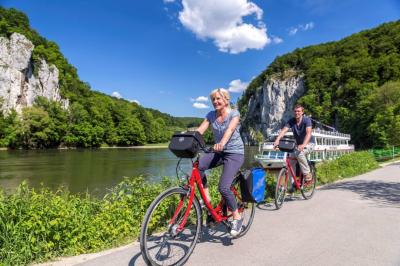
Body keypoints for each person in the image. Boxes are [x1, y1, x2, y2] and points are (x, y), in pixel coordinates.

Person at [196, 88, 245, 237]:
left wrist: (222, 143)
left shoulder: (234, 114)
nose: (215, 102)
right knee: (198, 167)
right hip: (219, 151)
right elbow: (200, 131)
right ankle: (207, 200)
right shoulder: (211, 115)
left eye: (218, 99)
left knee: (224, 187)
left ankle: (237, 217)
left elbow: (229, 130)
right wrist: (188, 139)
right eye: (213, 100)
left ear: (226, 100)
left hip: (234, 153)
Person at [273, 104, 314, 182]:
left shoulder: (306, 120)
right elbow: (284, 130)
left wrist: (303, 145)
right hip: (297, 145)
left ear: (302, 112)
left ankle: (307, 173)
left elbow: (308, 133)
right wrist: (277, 140)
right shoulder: (291, 121)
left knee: (299, 153)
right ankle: (292, 184)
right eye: (295, 111)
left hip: (309, 144)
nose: (296, 113)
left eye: (298, 111)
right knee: (290, 161)